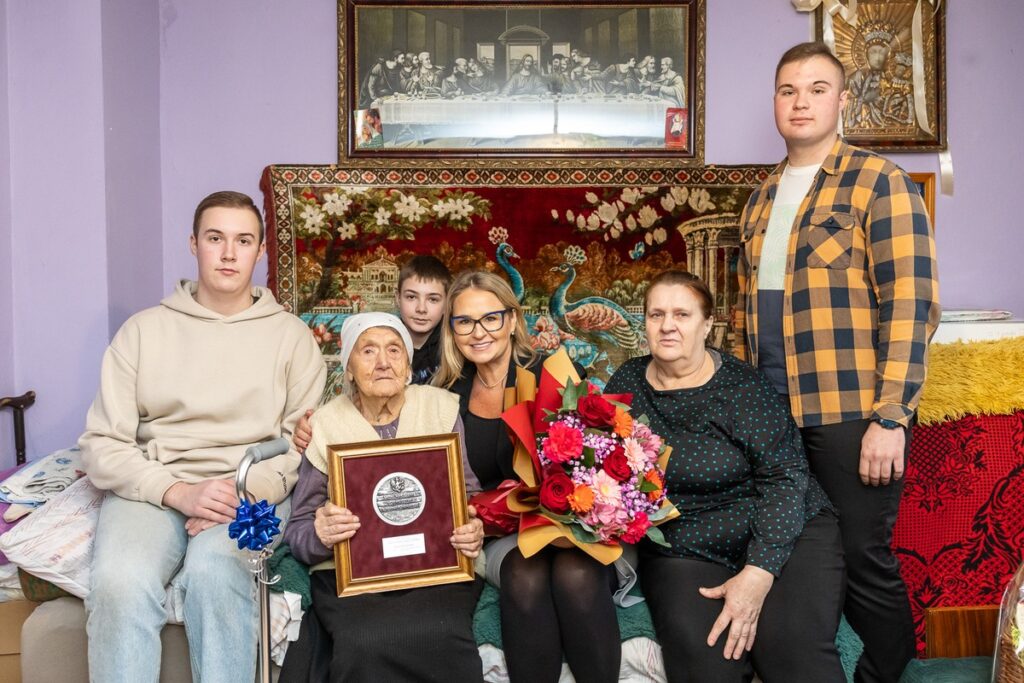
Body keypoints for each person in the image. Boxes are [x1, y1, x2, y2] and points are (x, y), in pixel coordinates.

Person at [736, 42, 940, 682]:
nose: (801, 102)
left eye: (818, 89)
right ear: (774, 101)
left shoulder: (880, 181)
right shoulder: (763, 195)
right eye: (788, 90)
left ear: (843, 100)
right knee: (790, 551)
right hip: (772, 415)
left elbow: (912, 303)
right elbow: (748, 317)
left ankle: (883, 676)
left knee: (863, 555)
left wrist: (892, 416)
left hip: (850, 412)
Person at [79, 191, 327, 682]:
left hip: (244, 494)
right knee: (118, 583)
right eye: (216, 238)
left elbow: (298, 447)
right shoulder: (142, 331)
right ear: (194, 244)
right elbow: (101, 444)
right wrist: (178, 492)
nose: (229, 253)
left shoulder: (291, 337)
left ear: (260, 251)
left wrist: (239, 495)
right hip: (153, 489)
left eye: (243, 241)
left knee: (216, 572)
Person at [605, 270, 845, 682]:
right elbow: (608, 468)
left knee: (788, 648)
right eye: (655, 314)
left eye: (682, 314)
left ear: (707, 324)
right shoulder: (625, 382)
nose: (666, 326)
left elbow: (787, 478)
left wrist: (758, 571)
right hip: (684, 545)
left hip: (784, 527)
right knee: (705, 662)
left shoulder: (742, 387)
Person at [433, 271, 623, 683]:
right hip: (502, 533)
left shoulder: (552, 373)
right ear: (451, 329)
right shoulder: (445, 392)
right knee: (525, 575)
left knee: (574, 574)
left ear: (513, 320)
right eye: (464, 321)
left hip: (576, 522)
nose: (478, 332)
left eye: (490, 318)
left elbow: (598, 460)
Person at [280, 312, 485, 682]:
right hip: (352, 577)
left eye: (394, 350)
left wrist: (475, 526)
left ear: (407, 364)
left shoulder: (439, 408)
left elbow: (470, 496)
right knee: (364, 641)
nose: (383, 363)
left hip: (436, 570)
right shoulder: (325, 424)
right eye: (368, 351)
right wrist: (321, 535)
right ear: (348, 368)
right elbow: (298, 530)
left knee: (438, 633)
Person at [397, 255, 451, 384]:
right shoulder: (383, 342)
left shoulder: (456, 346)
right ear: (398, 298)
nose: (421, 309)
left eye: (433, 299)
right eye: (411, 297)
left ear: (447, 304)